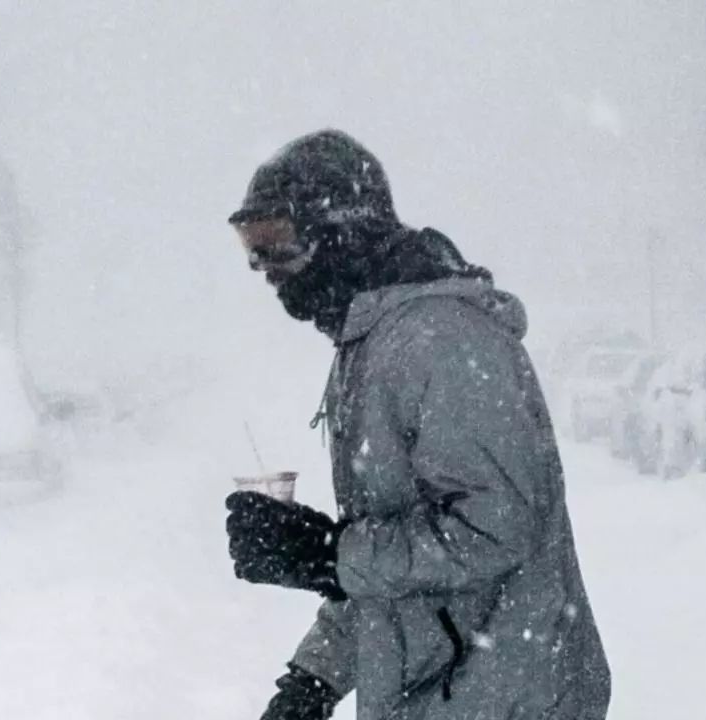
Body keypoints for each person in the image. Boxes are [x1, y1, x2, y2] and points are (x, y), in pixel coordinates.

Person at [223, 130, 612, 720]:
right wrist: (315, 678)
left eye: (279, 246)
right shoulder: (373, 345)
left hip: (508, 702)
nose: (266, 271)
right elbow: (396, 570)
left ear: (340, 235)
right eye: (253, 252)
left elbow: (495, 528)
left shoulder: (441, 341)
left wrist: (327, 553)